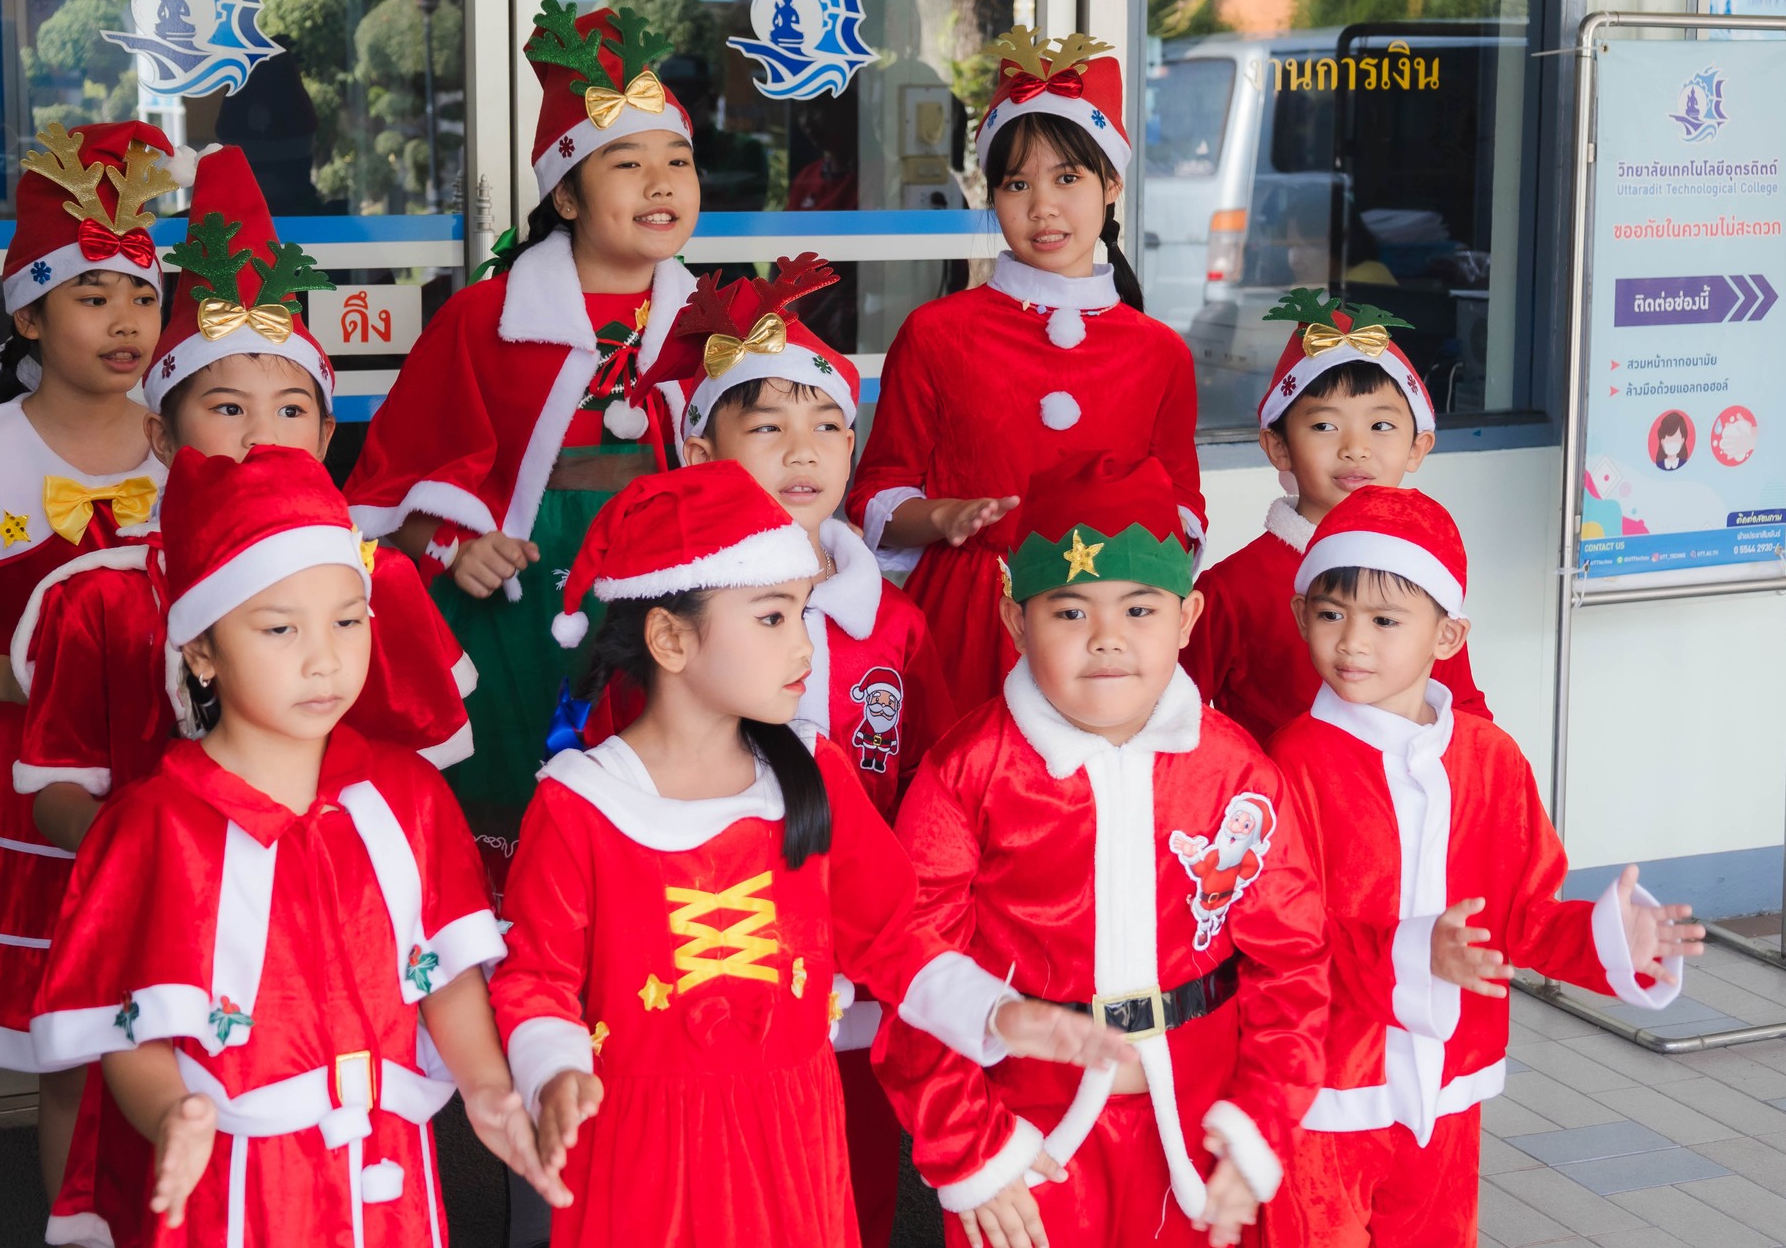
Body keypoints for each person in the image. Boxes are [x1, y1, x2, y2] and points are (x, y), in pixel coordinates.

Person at [9, 144, 476, 1247]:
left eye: (292, 411)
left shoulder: (380, 585)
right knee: (158, 1169)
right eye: (227, 409)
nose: (263, 437)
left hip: (338, 970)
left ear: (327, 433)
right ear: (162, 435)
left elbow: (415, 800)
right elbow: (55, 793)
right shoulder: (97, 604)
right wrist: (164, 853)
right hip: (167, 954)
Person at [488, 463, 1129, 1247]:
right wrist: (554, 1072)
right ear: (669, 637)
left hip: (793, 1139)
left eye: (802, 612)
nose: (804, 645)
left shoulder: (811, 771)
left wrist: (996, 1011)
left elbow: (892, 937)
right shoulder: (580, 802)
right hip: (639, 1153)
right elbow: (535, 978)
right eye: (771, 618)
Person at [31, 445, 563, 1246]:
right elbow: (127, 1031)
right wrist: (173, 1114)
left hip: (392, 1178)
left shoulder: (410, 798)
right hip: (238, 1192)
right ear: (201, 650)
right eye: (280, 628)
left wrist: (489, 1083)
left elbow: (444, 973)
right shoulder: (157, 828)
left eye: (349, 620)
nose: (325, 658)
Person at [876, 453, 1330, 1248]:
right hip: (1028, 1142)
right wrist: (969, 1145)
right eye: (1070, 611)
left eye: (1140, 610)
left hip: (1197, 1129)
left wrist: (1259, 1124)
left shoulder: (1234, 772)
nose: (1107, 639)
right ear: (1016, 620)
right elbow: (909, 964)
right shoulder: (969, 772)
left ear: (1187, 619)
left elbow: (1292, 965)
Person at [1265, 487, 1701, 1248]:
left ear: (1447, 634)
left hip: (1451, 1086)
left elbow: (1523, 918)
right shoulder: (1292, 762)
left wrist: (1612, 941)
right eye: (1330, 614)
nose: (1352, 643)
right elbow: (1280, 935)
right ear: (1303, 616)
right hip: (1324, 1087)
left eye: (1384, 620)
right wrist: (1413, 951)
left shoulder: (1490, 760)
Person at [635, 255, 958, 1248]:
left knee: (844, 1188)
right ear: (699, 446)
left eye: (825, 424)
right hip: (702, 961)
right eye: (764, 424)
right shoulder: (665, 624)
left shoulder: (892, 626)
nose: (800, 449)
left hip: (854, 973)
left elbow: (931, 793)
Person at [344, 0, 700, 897]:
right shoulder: (483, 319)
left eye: (678, 161)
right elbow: (392, 480)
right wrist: (451, 545)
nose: (661, 183)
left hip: (655, 593)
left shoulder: (712, 324)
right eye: (628, 163)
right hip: (512, 601)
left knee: (647, 796)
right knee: (510, 801)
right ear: (568, 193)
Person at [0, 120, 178, 1198]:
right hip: (43, 796)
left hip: (181, 773)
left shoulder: (186, 439)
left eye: (143, 297)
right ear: (29, 312)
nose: (126, 323)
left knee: (192, 1032)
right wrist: (9, 677)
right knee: (79, 1054)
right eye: (93, 297)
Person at [848, 26, 1205, 715]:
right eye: (1017, 183)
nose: (1042, 206)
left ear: (1111, 185)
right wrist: (943, 516)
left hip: (1107, 622)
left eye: (1067, 177)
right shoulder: (937, 333)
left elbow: (1183, 510)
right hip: (969, 619)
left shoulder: (1159, 352)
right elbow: (876, 495)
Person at [1183, 290, 1489, 745]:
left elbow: (1461, 709)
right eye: (1324, 425)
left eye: (1381, 425)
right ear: (1278, 446)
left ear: (1417, 447)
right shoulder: (1231, 589)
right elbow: (1173, 712)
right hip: (1282, 810)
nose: (1355, 447)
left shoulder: (1423, 576)